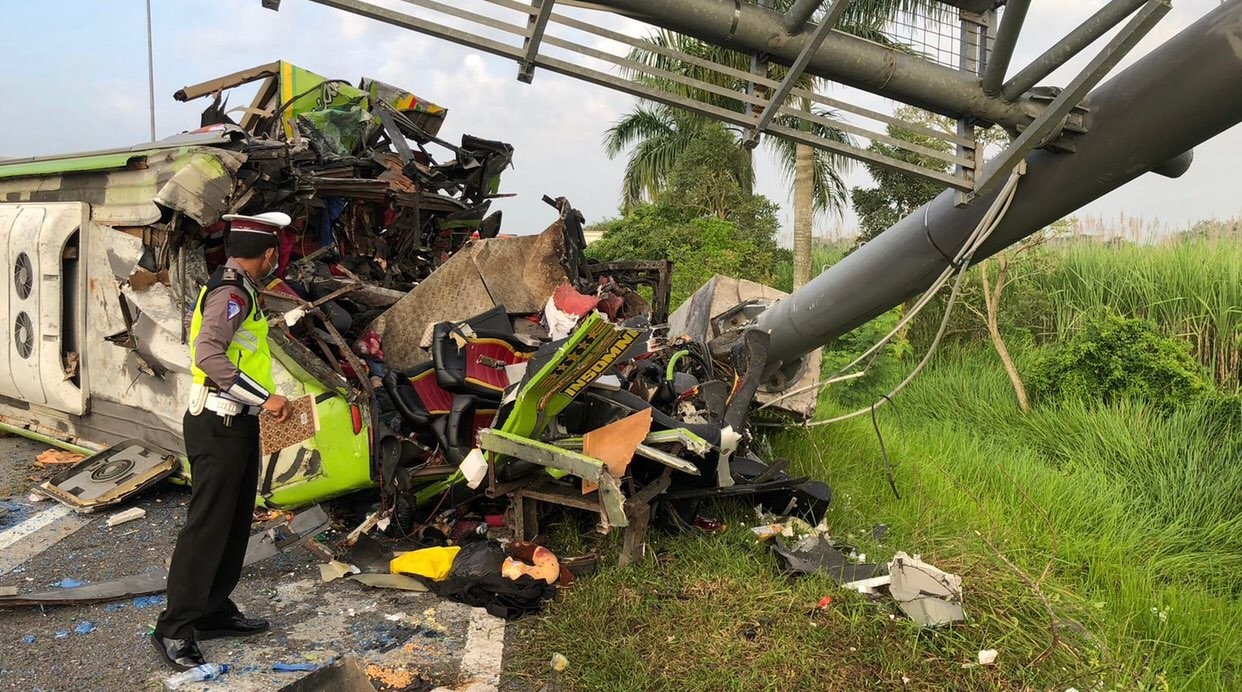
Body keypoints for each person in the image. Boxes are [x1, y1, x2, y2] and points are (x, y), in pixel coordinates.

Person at [151, 212, 294, 670]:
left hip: (236, 423)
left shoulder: (239, 287)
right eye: (275, 253)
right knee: (208, 525)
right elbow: (209, 354)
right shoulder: (231, 292)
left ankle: (211, 609)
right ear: (267, 254)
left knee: (233, 522)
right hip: (218, 423)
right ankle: (174, 628)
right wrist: (265, 398)